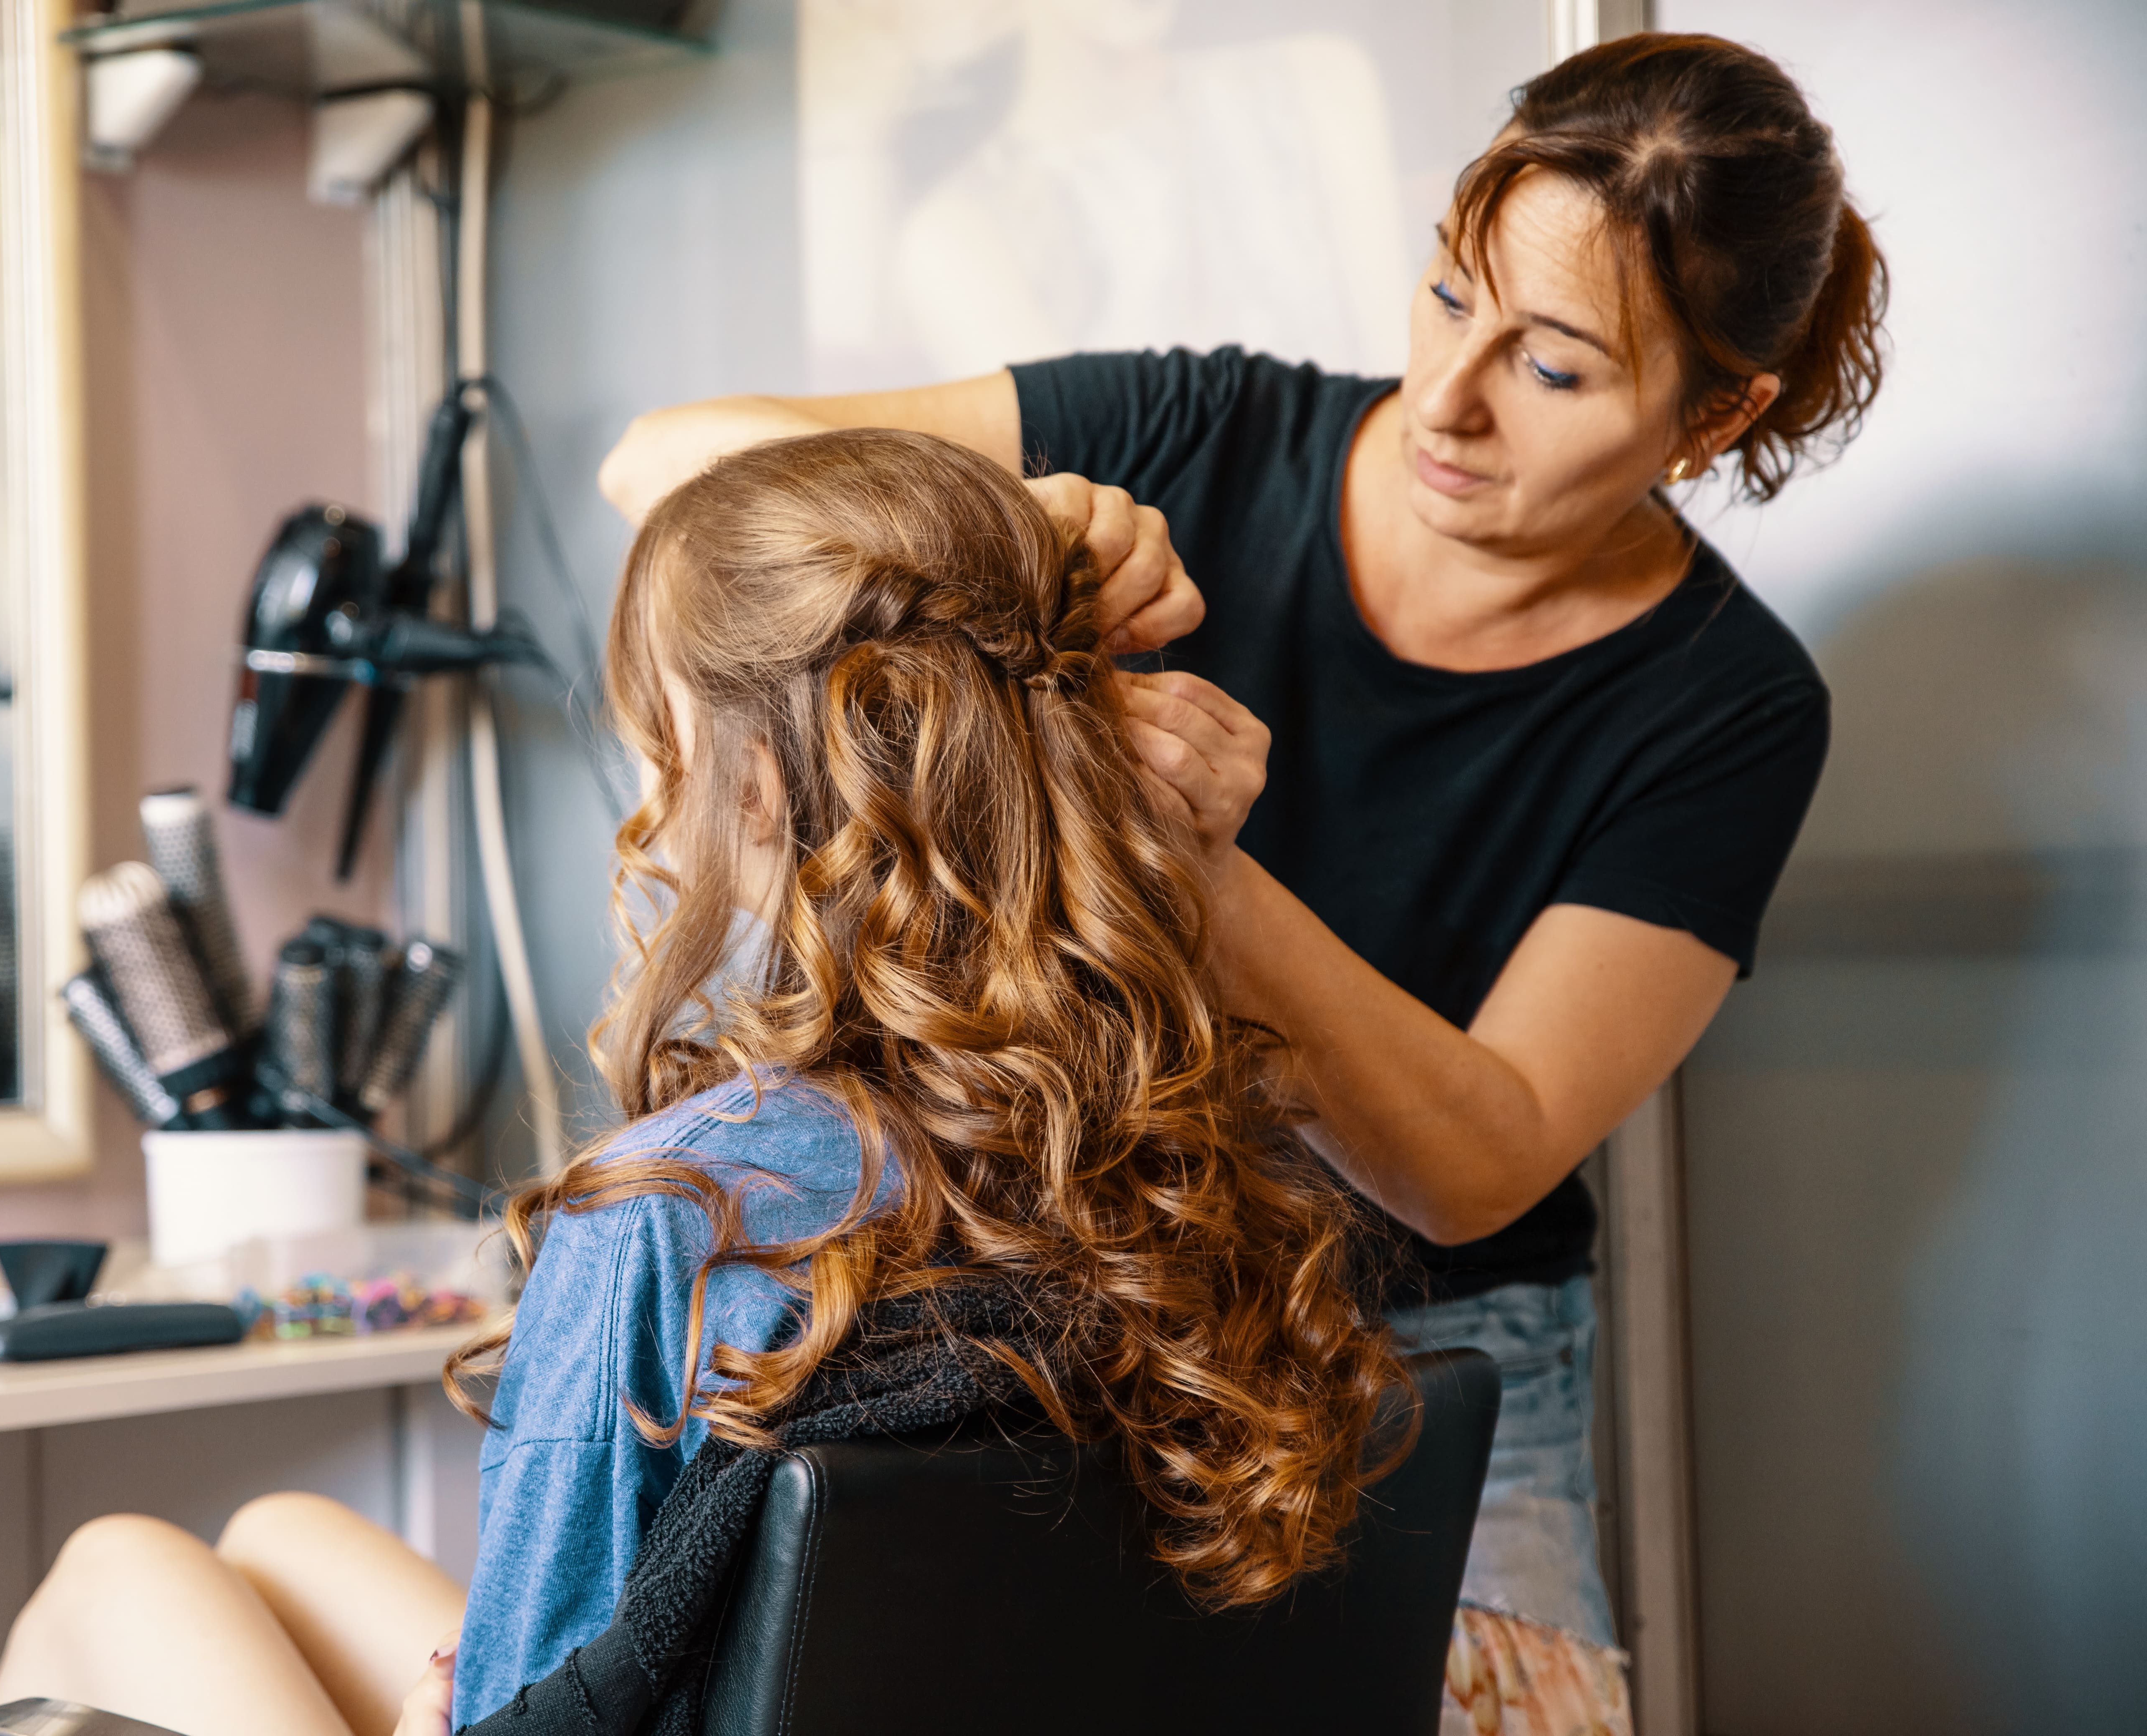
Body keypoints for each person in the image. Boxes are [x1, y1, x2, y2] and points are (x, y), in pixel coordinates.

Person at [598, 31, 1885, 1723]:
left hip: (1432, 1376)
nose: (1449, 395)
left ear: (1717, 413)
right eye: (1447, 293)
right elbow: (666, 465)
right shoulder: (1206, 424)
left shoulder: (1726, 704)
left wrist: (1206, 881)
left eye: (1556, 368)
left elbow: (1478, 1162)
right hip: (1088, 1324)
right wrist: (1027, 518)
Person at [0, 429, 1404, 1736]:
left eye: (660, 742)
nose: (646, 802)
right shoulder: (1177, 1145)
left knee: (114, 1573)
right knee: (278, 1536)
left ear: (764, 785)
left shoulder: (679, 1205)